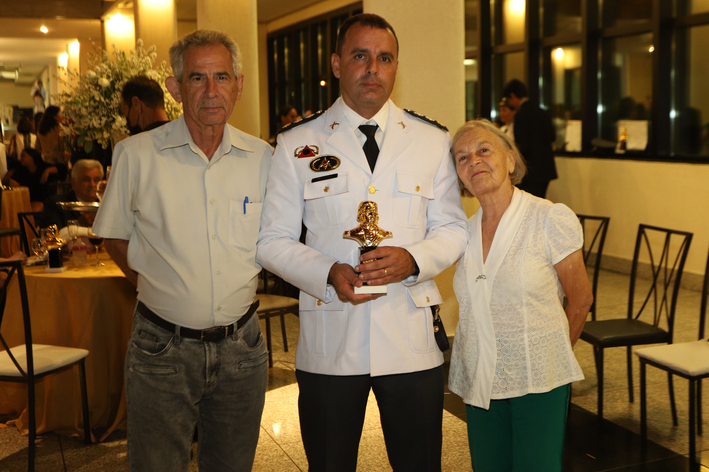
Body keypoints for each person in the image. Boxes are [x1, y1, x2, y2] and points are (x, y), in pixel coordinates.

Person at [257, 13, 467, 472]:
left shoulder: (431, 141)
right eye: (360, 56)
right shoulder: (297, 144)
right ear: (337, 64)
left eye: (385, 58)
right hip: (332, 336)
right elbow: (271, 241)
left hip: (409, 335)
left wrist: (414, 259)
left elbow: (453, 229)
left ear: (396, 67)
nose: (373, 68)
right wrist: (326, 272)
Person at [93, 29, 271, 472]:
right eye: (197, 78)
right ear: (175, 87)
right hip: (162, 350)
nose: (211, 91)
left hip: (243, 349)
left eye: (222, 77)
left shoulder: (263, 158)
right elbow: (113, 236)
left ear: (239, 85)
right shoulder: (135, 155)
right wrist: (158, 285)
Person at [448, 119, 593, 472]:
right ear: (459, 176)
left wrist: (548, 356)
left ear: (511, 160)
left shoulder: (548, 218)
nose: (474, 161)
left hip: (538, 382)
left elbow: (581, 299)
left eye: (484, 150)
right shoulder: (461, 233)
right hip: (480, 379)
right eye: (462, 157)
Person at [502, 79, 557, 198]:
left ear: (513, 96)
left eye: (509, 100)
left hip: (531, 170)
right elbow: (552, 136)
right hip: (546, 167)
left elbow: (522, 146)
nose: (511, 103)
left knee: (529, 202)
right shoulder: (541, 111)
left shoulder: (521, 114)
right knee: (541, 200)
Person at [40, 159, 103, 231]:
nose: (92, 185)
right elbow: (52, 234)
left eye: (96, 180)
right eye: (86, 179)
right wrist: (78, 224)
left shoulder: (106, 205)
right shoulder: (55, 204)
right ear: (73, 182)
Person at [37, 106, 69, 180]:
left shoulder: (41, 129)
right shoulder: (60, 130)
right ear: (54, 116)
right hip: (58, 162)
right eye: (60, 114)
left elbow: (37, 147)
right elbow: (63, 148)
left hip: (44, 160)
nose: (63, 116)